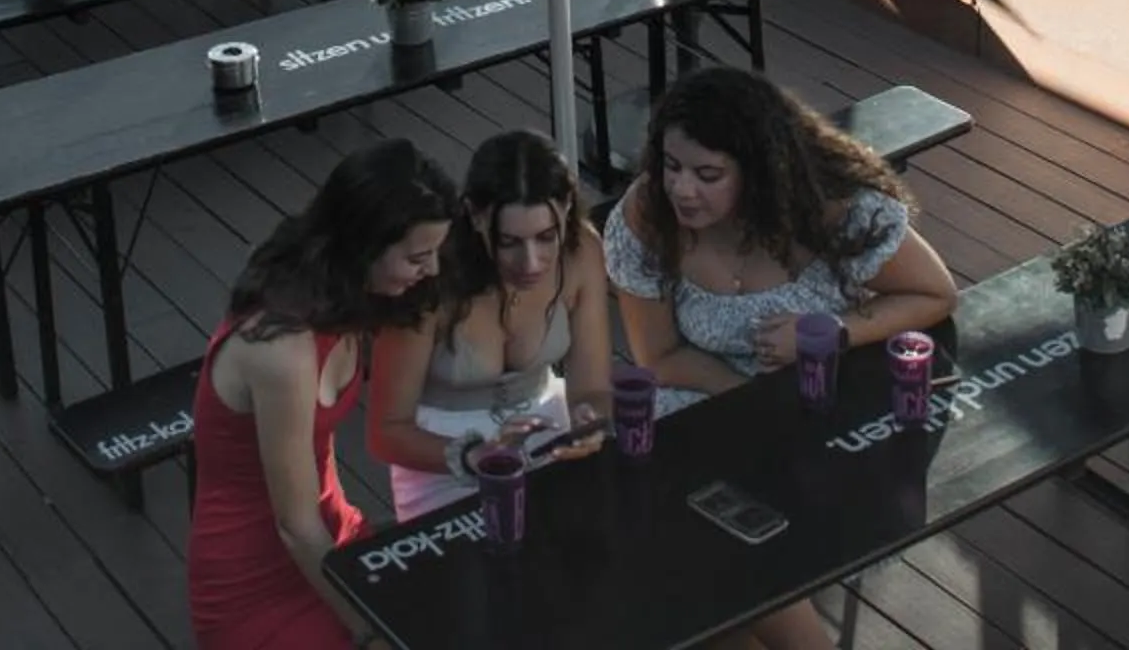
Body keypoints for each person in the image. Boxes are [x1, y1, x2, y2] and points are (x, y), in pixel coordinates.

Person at [605, 67, 960, 650]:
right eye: (671, 166)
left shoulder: (832, 209)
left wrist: (830, 331)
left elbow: (934, 293)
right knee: (683, 537)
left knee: (708, 559)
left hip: (822, 398)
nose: (682, 189)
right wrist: (744, 402)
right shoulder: (647, 216)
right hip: (703, 394)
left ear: (759, 172)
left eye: (708, 174)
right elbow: (660, 356)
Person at [191, 140, 462, 650]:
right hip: (255, 579)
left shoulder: (349, 293)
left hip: (332, 539)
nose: (431, 270)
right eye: (417, 257)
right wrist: (369, 632)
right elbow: (293, 524)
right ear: (365, 245)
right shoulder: (283, 346)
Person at [368, 130, 613, 519]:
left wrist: (590, 423)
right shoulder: (431, 277)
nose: (531, 263)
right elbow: (386, 432)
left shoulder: (583, 251)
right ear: (475, 216)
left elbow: (593, 389)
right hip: (443, 460)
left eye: (546, 237)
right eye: (509, 242)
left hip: (549, 434)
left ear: (567, 207)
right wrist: (473, 456)